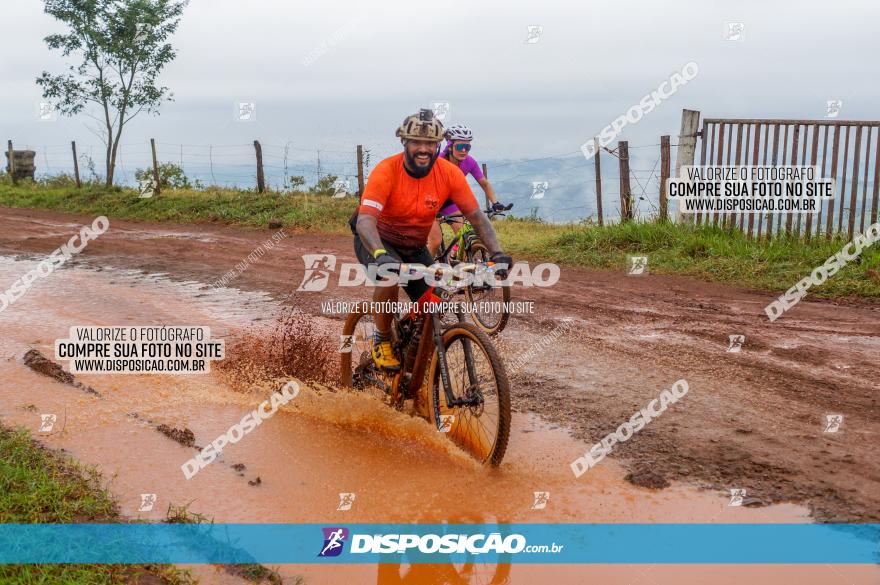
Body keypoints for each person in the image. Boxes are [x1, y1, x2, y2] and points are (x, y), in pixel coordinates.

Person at [350, 110, 512, 370]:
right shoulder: (386, 170)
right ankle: (382, 338)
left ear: (439, 145)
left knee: (434, 302)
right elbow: (366, 221)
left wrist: (498, 253)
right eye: (416, 142)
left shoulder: (449, 173)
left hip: (414, 246)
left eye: (430, 144)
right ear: (404, 142)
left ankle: (415, 365)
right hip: (378, 240)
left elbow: (477, 217)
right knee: (388, 276)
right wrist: (380, 254)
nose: (423, 149)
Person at [426, 124, 507, 257]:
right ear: (450, 146)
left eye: (467, 147)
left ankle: (455, 256)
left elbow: (484, 184)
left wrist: (495, 202)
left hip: (448, 201)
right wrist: (433, 210)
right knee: (435, 241)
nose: (464, 150)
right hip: (429, 202)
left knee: (463, 232)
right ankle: (424, 272)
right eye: (459, 146)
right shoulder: (437, 161)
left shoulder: (469, 162)